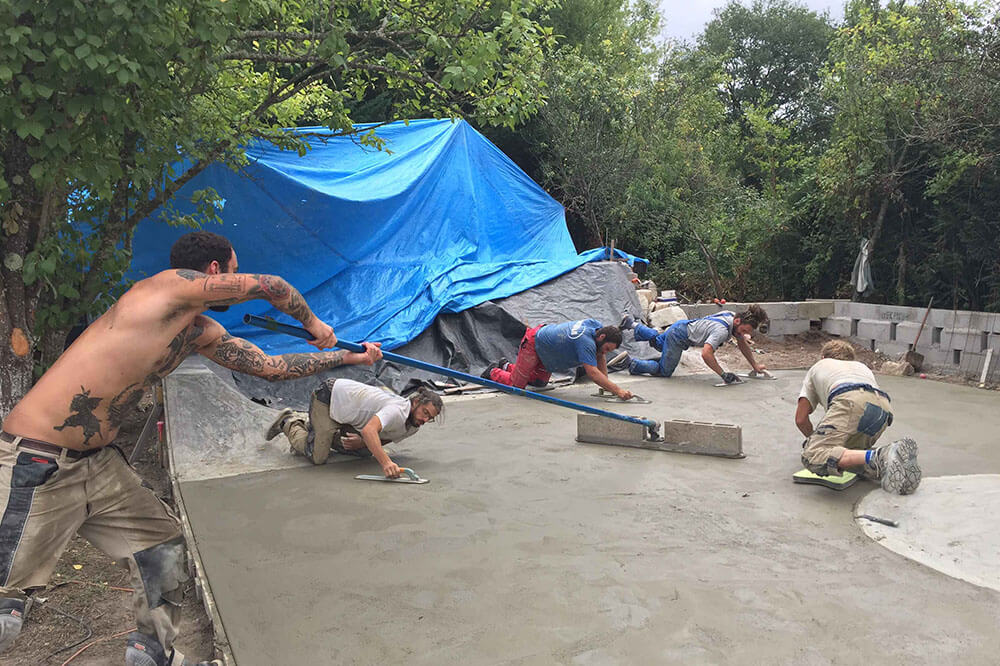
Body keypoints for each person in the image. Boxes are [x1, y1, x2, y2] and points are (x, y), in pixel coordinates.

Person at [0, 231, 382, 665]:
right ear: (216, 270)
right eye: (235, 268)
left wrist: (348, 359)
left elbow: (270, 368)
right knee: (5, 612)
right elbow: (274, 286)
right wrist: (315, 326)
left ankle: (153, 654)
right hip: (37, 459)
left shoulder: (199, 330)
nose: (238, 275)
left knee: (162, 546)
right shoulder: (164, 288)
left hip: (98, 465)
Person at [795, 340, 920, 494]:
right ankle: (893, 467)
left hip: (850, 400)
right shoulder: (861, 367)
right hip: (883, 408)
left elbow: (800, 419)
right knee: (849, 453)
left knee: (813, 455)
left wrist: (814, 442)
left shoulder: (820, 366)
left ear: (823, 356)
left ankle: (881, 455)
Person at [265, 380, 442, 477]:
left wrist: (362, 442)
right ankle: (290, 422)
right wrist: (386, 463)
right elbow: (369, 431)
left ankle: (318, 430)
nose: (425, 420)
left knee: (364, 451)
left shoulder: (414, 425)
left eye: (430, 418)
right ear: (416, 402)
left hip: (348, 413)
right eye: (425, 413)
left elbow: (387, 436)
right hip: (328, 398)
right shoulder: (397, 410)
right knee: (318, 457)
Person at [480, 319, 633, 401]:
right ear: (601, 338)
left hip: (547, 352)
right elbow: (592, 373)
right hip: (534, 343)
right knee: (516, 386)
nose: (605, 352)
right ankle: (493, 371)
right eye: (607, 348)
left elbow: (600, 355)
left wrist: (608, 386)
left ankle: (506, 366)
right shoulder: (585, 342)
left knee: (539, 383)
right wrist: (617, 390)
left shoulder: (596, 327)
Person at [614, 305, 770, 383]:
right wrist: (723, 374)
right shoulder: (721, 331)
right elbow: (706, 353)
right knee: (664, 371)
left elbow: (742, 343)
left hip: (682, 326)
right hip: (679, 336)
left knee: (658, 343)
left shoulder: (730, 315)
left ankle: (631, 324)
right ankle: (630, 363)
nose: (742, 335)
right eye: (743, 330)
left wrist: (755, 366)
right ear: (737, 321)